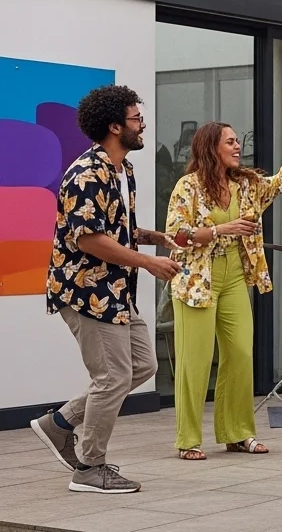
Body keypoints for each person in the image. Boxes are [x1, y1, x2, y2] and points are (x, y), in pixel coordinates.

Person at [31, 85, 182, 493]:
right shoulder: (86, 173)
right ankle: (89, 467)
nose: (143, 124)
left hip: (114, 290)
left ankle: (59, 423)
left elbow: (115, 229)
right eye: (136, 119)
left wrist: (156, 238)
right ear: (115, 126)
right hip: (84, 290)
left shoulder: (121, 170)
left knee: (142, 366)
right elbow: (88, 240)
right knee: (112, 376)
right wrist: (150, 263)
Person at [164, 113, 282, 460]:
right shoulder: (189, 186)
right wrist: (220, 230)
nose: (237, 146)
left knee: (241, 355)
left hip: (234, 277)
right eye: (230, 141)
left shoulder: (245, 184)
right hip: (197, 279)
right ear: (211, 147)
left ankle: (237, 434)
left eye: (236, 141)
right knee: (195, 362)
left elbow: (281, 182)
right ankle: (189, 439)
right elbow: (176, 235)